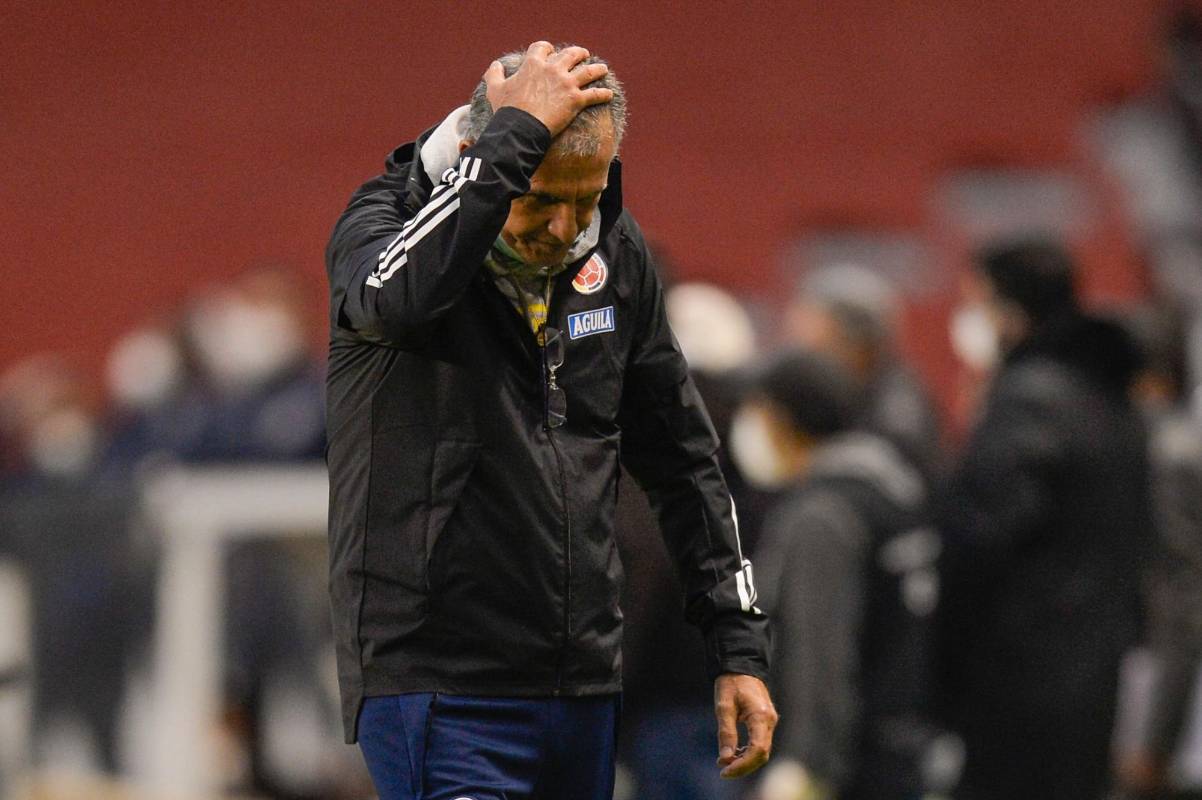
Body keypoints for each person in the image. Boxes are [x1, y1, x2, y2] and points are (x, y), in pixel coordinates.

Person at [324, 42, 776, 800]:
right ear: (485, 156)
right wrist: (513, 138)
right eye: (537, 198)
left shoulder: (619, 254)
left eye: (587, 196)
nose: (564, 226)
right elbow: (396, 300)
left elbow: (684, 460)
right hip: (439, 680)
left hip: (582, 686)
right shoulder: (383, 219)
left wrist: (738, 647)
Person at [937, 240, 1152, 800]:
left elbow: (980, 542)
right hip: (1092, 674)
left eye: (977, 302)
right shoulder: (1109, 397)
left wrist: (942, 668)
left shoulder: (1029, 402)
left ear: (1011, 310)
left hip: (1021, 681)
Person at [731, 348, 937, 800]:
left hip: (845, 770)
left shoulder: (822, 518)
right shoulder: (892, 491)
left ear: (783, 419)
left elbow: (819, 653)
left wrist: (806, 770)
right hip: (898, 750)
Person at [784, 263, 943, 481]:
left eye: (813, 345)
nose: (803, 359)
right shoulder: (848, 394)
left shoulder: (897, 415)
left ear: (855, 341)